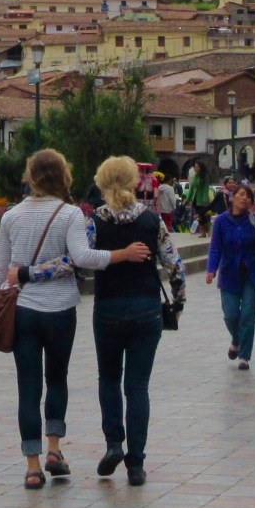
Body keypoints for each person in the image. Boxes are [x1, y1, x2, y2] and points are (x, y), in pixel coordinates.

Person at [0, 149, 150, 489]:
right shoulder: (69, 215)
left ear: (31, 176)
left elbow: (2, 272)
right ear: (63, 176)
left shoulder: (11, 217)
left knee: (27, 388)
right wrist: (122, 255)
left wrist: (2, 303)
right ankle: (54, 448)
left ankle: (32, 466)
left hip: (23, 310)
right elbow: (82, 258)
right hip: (61, 310)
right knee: (57, 379)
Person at [88, 156, 185, 484]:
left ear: (102, 182)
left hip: (108, 309)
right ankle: (137, 464)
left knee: (109, 379)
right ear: (133, 182)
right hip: (145, 309)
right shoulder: (151, 221)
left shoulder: (95, 222)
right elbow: (174, 264)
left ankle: (114, 443)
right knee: (138, 386)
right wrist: (179, 299)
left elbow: (83, 261)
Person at [206, 184, 255, 368]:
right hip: (229, 273)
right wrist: (211, 269)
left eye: (249, 196)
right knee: (231, 315)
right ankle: (236, 339)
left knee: (248, 314)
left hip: (253, 273)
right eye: (241, 194)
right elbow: (216, 247)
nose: (245, 198)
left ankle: (244, 356)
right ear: (232, 197)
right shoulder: (221, 221)